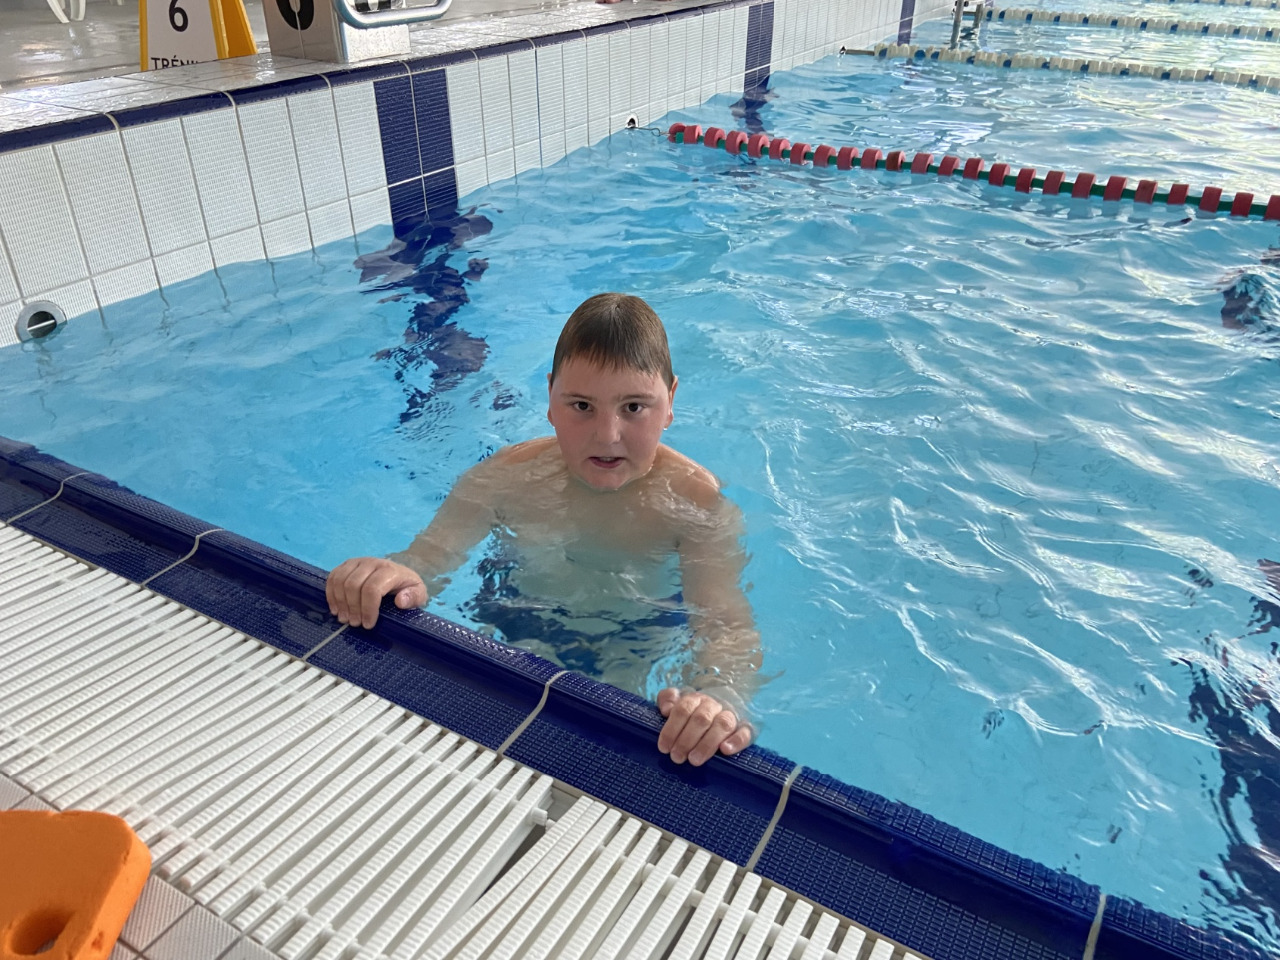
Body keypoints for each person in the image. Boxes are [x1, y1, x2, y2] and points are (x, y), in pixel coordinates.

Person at [327, 293, 762, 767]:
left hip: (635, 644)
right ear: (551, 398)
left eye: (635, 407)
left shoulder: (696, 503)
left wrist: (718, 695)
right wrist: (391, 575)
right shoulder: (503, 479)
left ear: (671, 401)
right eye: (582, 405)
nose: (608, 434)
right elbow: (425, 563)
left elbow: (724, 626)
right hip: (515, 621)